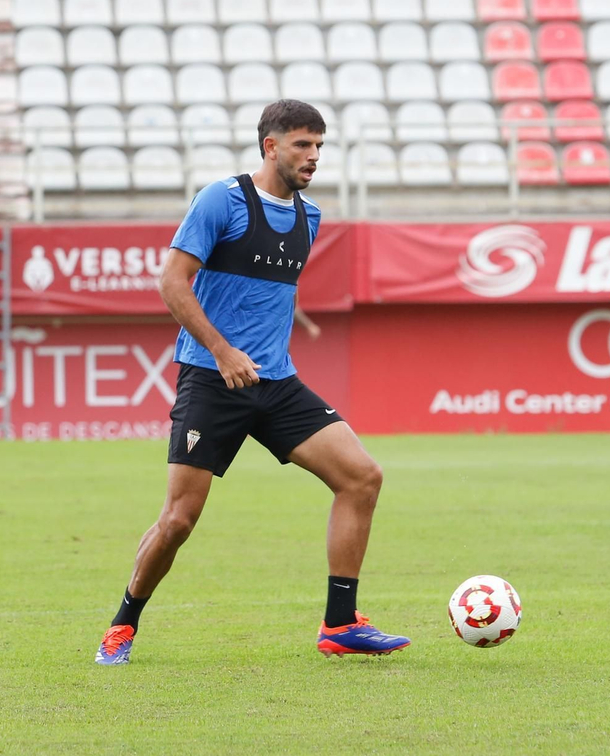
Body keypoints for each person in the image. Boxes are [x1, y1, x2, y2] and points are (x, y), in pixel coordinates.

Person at [94, 99, 408, 665]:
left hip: (275, 383)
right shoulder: (222, 200)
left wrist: (261, 351)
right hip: (213, 380)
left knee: (362, 477)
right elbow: (172, 282)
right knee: (179, 520)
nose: (313, 156)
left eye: (319, 145)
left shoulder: (310, 218)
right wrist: (222, 351)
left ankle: (340, 624)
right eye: (301, 145)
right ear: (271, 146)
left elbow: (266, 297)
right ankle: (123, 623)